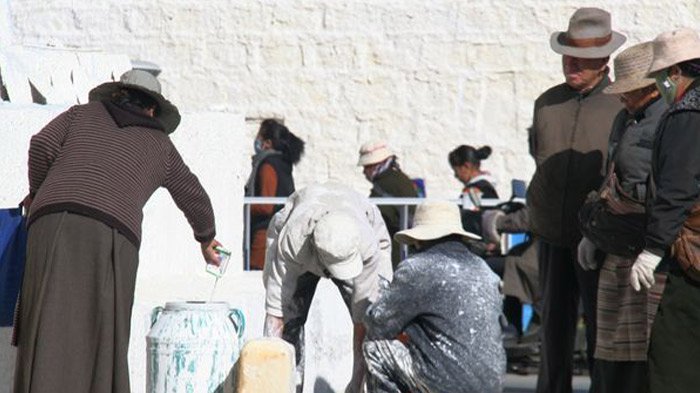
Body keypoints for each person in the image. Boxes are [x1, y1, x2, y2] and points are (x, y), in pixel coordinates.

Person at [13, 70, 223, 393]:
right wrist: (206, 238)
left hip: (50, 223)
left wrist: (38, 193)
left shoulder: (80, 113)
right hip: (111, 236)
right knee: (102, 335)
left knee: (45, 321)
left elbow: (41, 144)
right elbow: (193, 194)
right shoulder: (160, 144)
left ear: (116, 94)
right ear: (153, 110)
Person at [526, 8, 625, 392]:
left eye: (581, 57)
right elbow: (539, 159)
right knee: (552, 327)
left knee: (602, 329)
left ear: (603, 61)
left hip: (600, 236)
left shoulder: (620, 105)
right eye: (567, 53)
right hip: (551, 231)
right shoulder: (546, 103)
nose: (571, 63)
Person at [576, 42, 666, 393]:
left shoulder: (669, 119)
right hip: (618, 242)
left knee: (646, 347)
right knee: (615, 344)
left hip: (648, 243)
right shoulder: (626, 117)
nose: (621, 98)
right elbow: (611, 173)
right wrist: (595, 234)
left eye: (628, 92)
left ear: (649, 87)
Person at [262, 182, 393, 393]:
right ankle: (289, 385)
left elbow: (362, 320)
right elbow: (276, 312)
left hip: (359, 239)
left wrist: (356, 383)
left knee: (376, 319)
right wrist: (271, 377)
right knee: (289, 321)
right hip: (299, 239)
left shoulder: (367, 244)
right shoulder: (292, 241)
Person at [363, 201, 505, 393]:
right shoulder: (484, 269)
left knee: (375, 349)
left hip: (446, 383)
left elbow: (378, 325)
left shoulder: (418, 268)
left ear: (419, 239)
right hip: (492, 383)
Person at [628, 28, 700, 393]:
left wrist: (653, 248)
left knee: (674, 358)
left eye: (660, 75)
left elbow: (678, 188)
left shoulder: (688, 113)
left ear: (674, 73)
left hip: (693, 258)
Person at [245, 118, 305, 270]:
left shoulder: (268, 165)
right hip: (279, 234)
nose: (256, 141)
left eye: (259, 137)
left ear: (268, 143)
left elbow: (265, 206)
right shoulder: (283, 163)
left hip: (263, 239)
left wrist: (244, 207)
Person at [358, 140, 418, 268]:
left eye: (366, 167)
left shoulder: (387, 183)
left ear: (376, 164)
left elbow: (378, 218)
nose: (364, 172)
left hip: (396, 247)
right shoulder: (398, 178)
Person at [448, 144, 498, 236]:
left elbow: (468, 222)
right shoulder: (487, 186)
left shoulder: (472, 191)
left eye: (456, 171)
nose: (456, 176)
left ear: (466, 166)